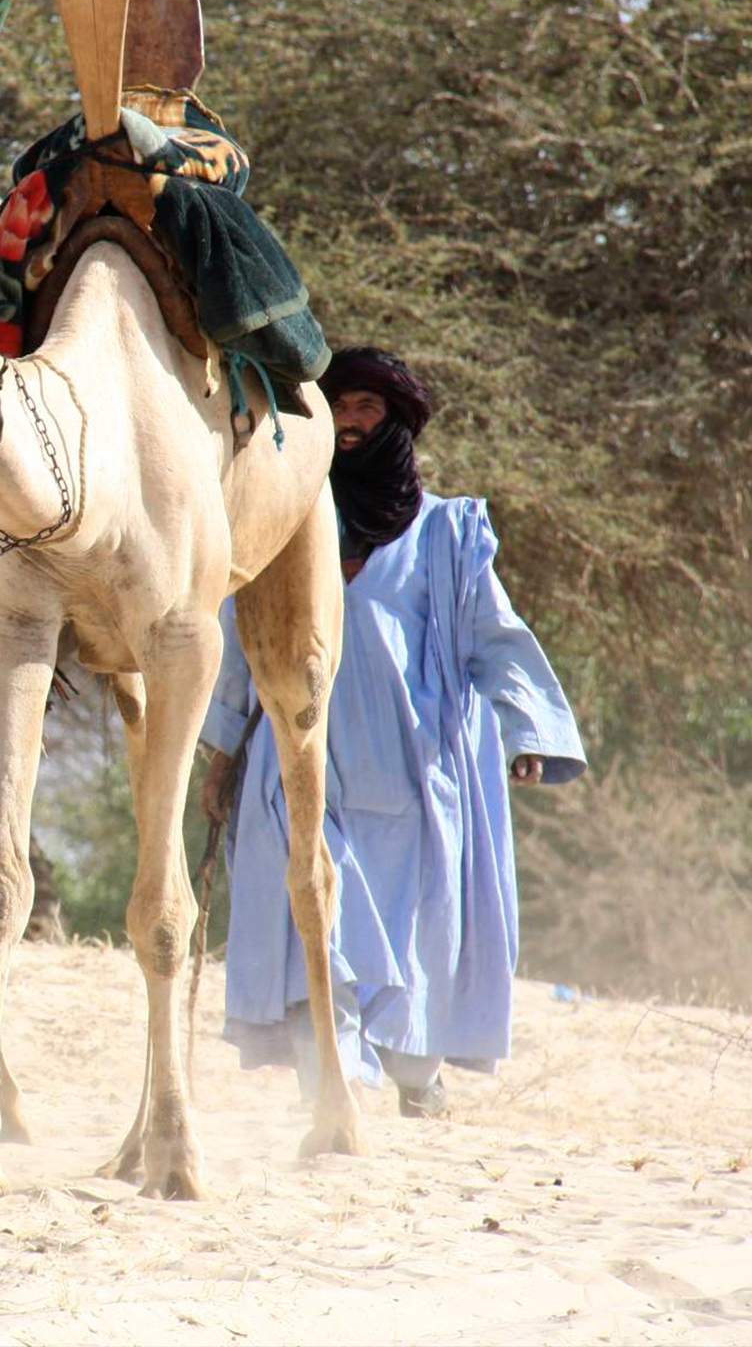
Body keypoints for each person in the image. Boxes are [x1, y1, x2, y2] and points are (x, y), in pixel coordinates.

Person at [200, 346, 586, 1117]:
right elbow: (244, 639)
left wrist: (528, 731)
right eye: (340, 407)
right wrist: (218, 751)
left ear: (397, 424)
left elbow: (498, 639)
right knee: (314, 919)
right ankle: (330, 1096)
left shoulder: (447, 534)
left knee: (414, 941)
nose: (349, 422)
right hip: (301, 766)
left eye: (368, 410)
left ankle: (414, 1076)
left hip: (412, 782)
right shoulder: (282, 523)